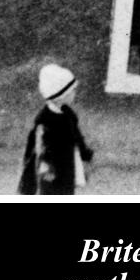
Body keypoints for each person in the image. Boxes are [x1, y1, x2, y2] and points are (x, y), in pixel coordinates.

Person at [18, 63, 94, 195]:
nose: (75, 94)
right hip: (50, 169)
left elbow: (77, 135)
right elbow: (36, 146)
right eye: (72, 91)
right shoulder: (44, 119)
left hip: (67, 163)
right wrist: (45, 167)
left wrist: (84, 153)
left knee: (66, 190)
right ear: (60, 96)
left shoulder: (69, 114)